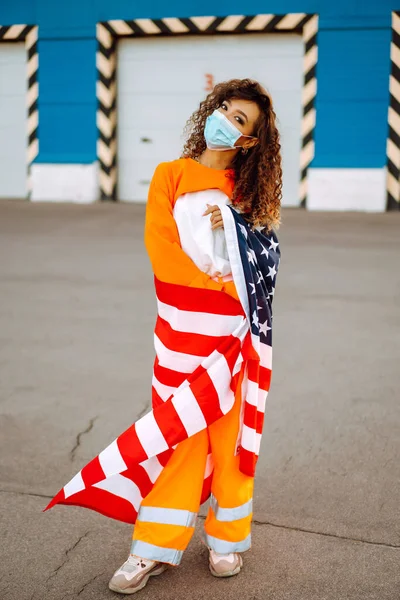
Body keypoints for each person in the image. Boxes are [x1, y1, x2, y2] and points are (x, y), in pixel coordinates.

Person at [45, 77, 282, 596]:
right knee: (179, 431)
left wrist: (234, 293)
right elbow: (163, 248)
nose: (226, 119)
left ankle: (226, 537)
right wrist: (212, 287)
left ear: (248, 141)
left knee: (231, 438)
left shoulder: (249, 192)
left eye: (240, 120)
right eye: (225, 108)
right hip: (182, 329)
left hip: (235, 333)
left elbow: (261, 262)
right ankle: (152, 546)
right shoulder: (170, 175)